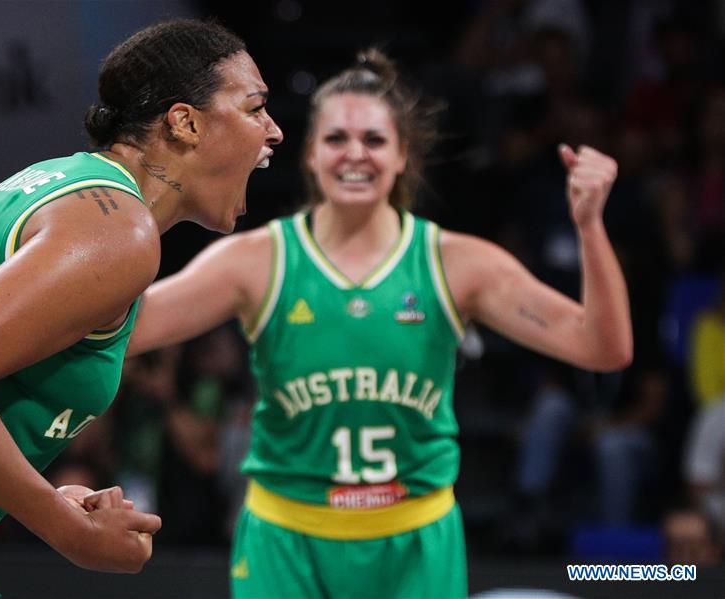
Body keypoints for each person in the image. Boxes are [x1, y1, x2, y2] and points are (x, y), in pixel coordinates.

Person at [127, 48, 631, 598]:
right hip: (287, 540)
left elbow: (602, 348)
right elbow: (121, 330)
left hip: (414, 538)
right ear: (311, 155)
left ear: (402, 155)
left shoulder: (456, 264)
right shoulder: (257, 261)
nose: (355, 154)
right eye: (336, 138)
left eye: (374, 139)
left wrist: (589, 225)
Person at [0, 18, 282, 598]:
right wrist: (72, 533)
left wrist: (50, 498)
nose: (274, 131)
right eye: (255, 108)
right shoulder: (117, 231)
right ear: (185, 122)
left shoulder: (66, 188)